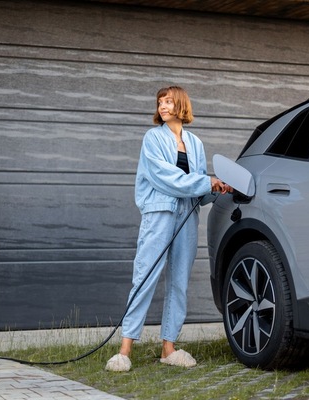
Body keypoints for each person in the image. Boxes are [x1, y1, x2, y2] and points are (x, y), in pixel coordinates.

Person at [106, 85, 231, 372]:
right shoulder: (152, 138)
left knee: (179, 282)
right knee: (145, 277)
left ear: (181, 106)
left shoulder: (195, 143)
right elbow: (165, 178)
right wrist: (204, 182)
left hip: (186, 217)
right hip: (160, 214)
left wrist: (218, 188)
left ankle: (169, 348)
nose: (162, 106)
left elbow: (198, 189)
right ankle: (124, 350)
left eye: (168, 101)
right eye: (160, 102)